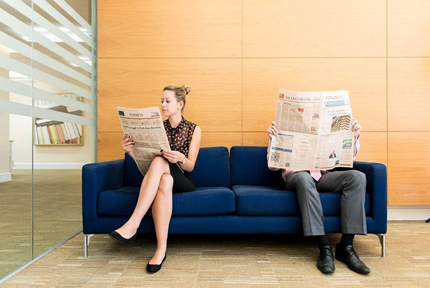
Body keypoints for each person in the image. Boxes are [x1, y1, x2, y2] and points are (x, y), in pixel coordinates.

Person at [109, 85, 202, 273]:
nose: (163, 105)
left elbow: (191, 165)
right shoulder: (159, 127)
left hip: (184, 179)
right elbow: (147, 165)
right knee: (165, 180)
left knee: (161, 162)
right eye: (161, 101)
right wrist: (131, 151)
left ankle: (133, 223)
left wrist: (180, 158)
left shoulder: (193, 129)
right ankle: (161, 250)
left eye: (167, 101)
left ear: (180, 104)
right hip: (162, 178)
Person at [267, 119, 370, 274]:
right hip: (296, 177)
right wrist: (273, 139)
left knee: (358, 177)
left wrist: (354, 136)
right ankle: (324, 246)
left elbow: (347, 159)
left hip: (322, 175)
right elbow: (273, 166)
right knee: (304, 178)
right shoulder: (284, 131)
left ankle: (346, 247)